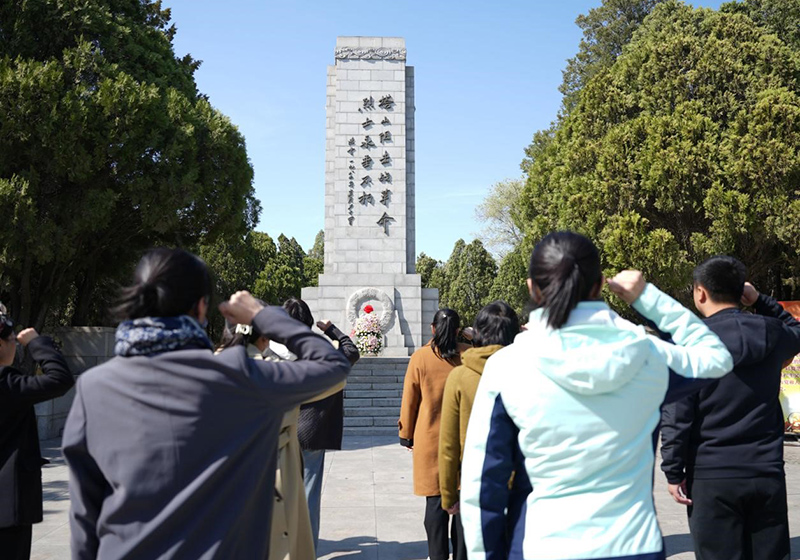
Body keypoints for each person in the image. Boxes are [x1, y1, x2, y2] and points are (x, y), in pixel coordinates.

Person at [459, 231, 734, 560]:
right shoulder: (648, 357)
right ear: (600, 284)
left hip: (542, 546)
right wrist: (646, 297)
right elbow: (717, 357)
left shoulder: (508, 367)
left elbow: (482, 485)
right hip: (634, 546)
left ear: (533, 287)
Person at [62, 248, 351, 559]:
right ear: (201, 308)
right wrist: (262, 315)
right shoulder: (244, 379)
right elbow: (333, 365)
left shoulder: (93, 388)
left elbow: (85, 519)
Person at [660, 256, 800, 560]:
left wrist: (673, 471)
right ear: (741, 292)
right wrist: (761, 300)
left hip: (712, 475)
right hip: (765, 472)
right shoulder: (771, 333)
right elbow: (796, 330)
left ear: (700, 293)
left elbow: (678, 413)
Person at [438, 301, 520, 560]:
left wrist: (449, 494)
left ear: (479, 332)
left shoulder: (460, 376)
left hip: (477, 487)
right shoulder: (528, 370)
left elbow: (449, 444)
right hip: (522, 486)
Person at [281, 298, 360, 553]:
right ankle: (306, 550)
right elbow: (351, 352)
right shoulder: (321, 349)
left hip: (282, 430)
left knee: (280, 494)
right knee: (308, 495)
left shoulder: (276, 348)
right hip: (313, 431)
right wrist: (331, 329)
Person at [0, 303, 74, 560]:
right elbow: (60, 379)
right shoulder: (8, 386)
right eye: (11, 340)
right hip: (7, 509)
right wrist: (36, 342)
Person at [398, 308, 471, 560]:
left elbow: (410, 400)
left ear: (432, 328)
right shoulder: (467, 355)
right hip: (464, 440)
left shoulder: (420, 358)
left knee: (435, 504)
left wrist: (406, 433)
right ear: (458, 330)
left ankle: (437, 556)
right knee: (462, 505)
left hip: (430, 440)